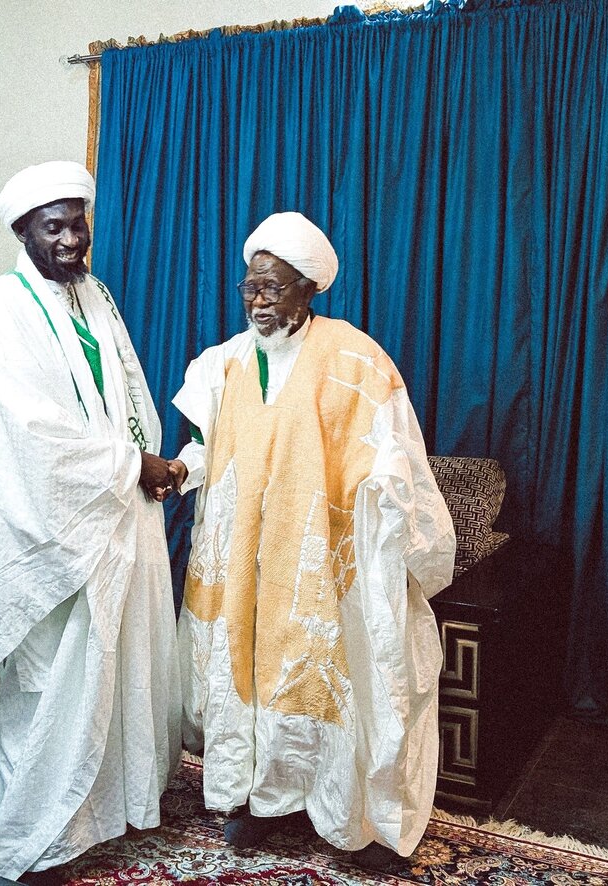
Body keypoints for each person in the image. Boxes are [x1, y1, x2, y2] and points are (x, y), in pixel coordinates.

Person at [168, 212, 455, 866]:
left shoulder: (354, 357)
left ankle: (357, 820)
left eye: (275, 287)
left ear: (308, 290)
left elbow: (394, 453)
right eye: (251, 288)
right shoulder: (227, 363)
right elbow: (210, 446)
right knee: (249, 670)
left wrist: (385, 499)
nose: (260, 300)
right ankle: (262, 801)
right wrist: (185, 469)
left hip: (324, 562)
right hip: (246, 561)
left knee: (334, 677)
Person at [0, 161, 181, 882]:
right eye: (56, 226)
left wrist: (151, 459)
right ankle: (32, 835)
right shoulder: (2, 308)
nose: (73, 238)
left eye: (79, 222)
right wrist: (127, 465)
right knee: (45, 683)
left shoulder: (94, 297)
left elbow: (129, 390)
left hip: (112, 518)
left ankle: (101, 813)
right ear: (24, 232)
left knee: (108, 676)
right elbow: (32, 434)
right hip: (45, 531)